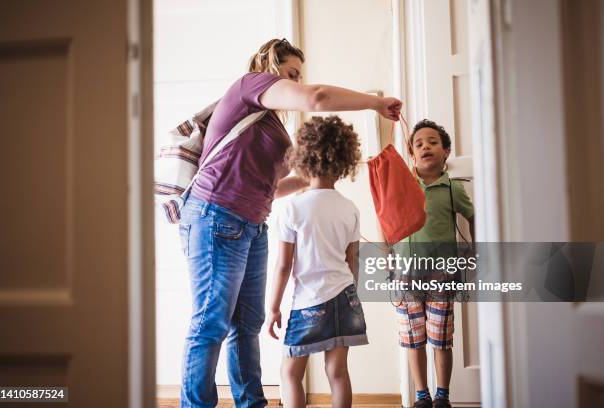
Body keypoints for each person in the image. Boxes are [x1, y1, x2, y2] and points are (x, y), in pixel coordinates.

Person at [179, 38, 401, 408]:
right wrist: (376, 103)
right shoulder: (250, 86)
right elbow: (315, 97)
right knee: (211, 323)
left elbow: (270, 188)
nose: (297, 83)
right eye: (292, 74)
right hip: (215, 215)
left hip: (250, 225)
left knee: (245, 327)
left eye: (299, 76)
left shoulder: (270, 124)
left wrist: (321, 176)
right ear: (270, 65)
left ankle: (252, 403)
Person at [266, 115, 367, 408]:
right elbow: (353, 261)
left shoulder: (292, 208)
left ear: (303, 158)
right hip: (345, 298)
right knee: (337, 372)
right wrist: (350, 296)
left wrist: (273, 308)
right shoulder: (350, 208)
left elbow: (283, 266)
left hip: (309, 301)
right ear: (344, 160)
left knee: (290, 372)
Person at [396, 119, 475, 408]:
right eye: (418, 144)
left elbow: (472, 217)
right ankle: (421, 395)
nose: (425, 147)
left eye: (432, 142)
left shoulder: (453, 188)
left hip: (443, 274)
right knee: (413, 339)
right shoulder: (403, 183)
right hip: (406, 275)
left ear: (446, 152)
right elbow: (388, 218)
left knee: (441, 338)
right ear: (411, 152)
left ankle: (442, 395)